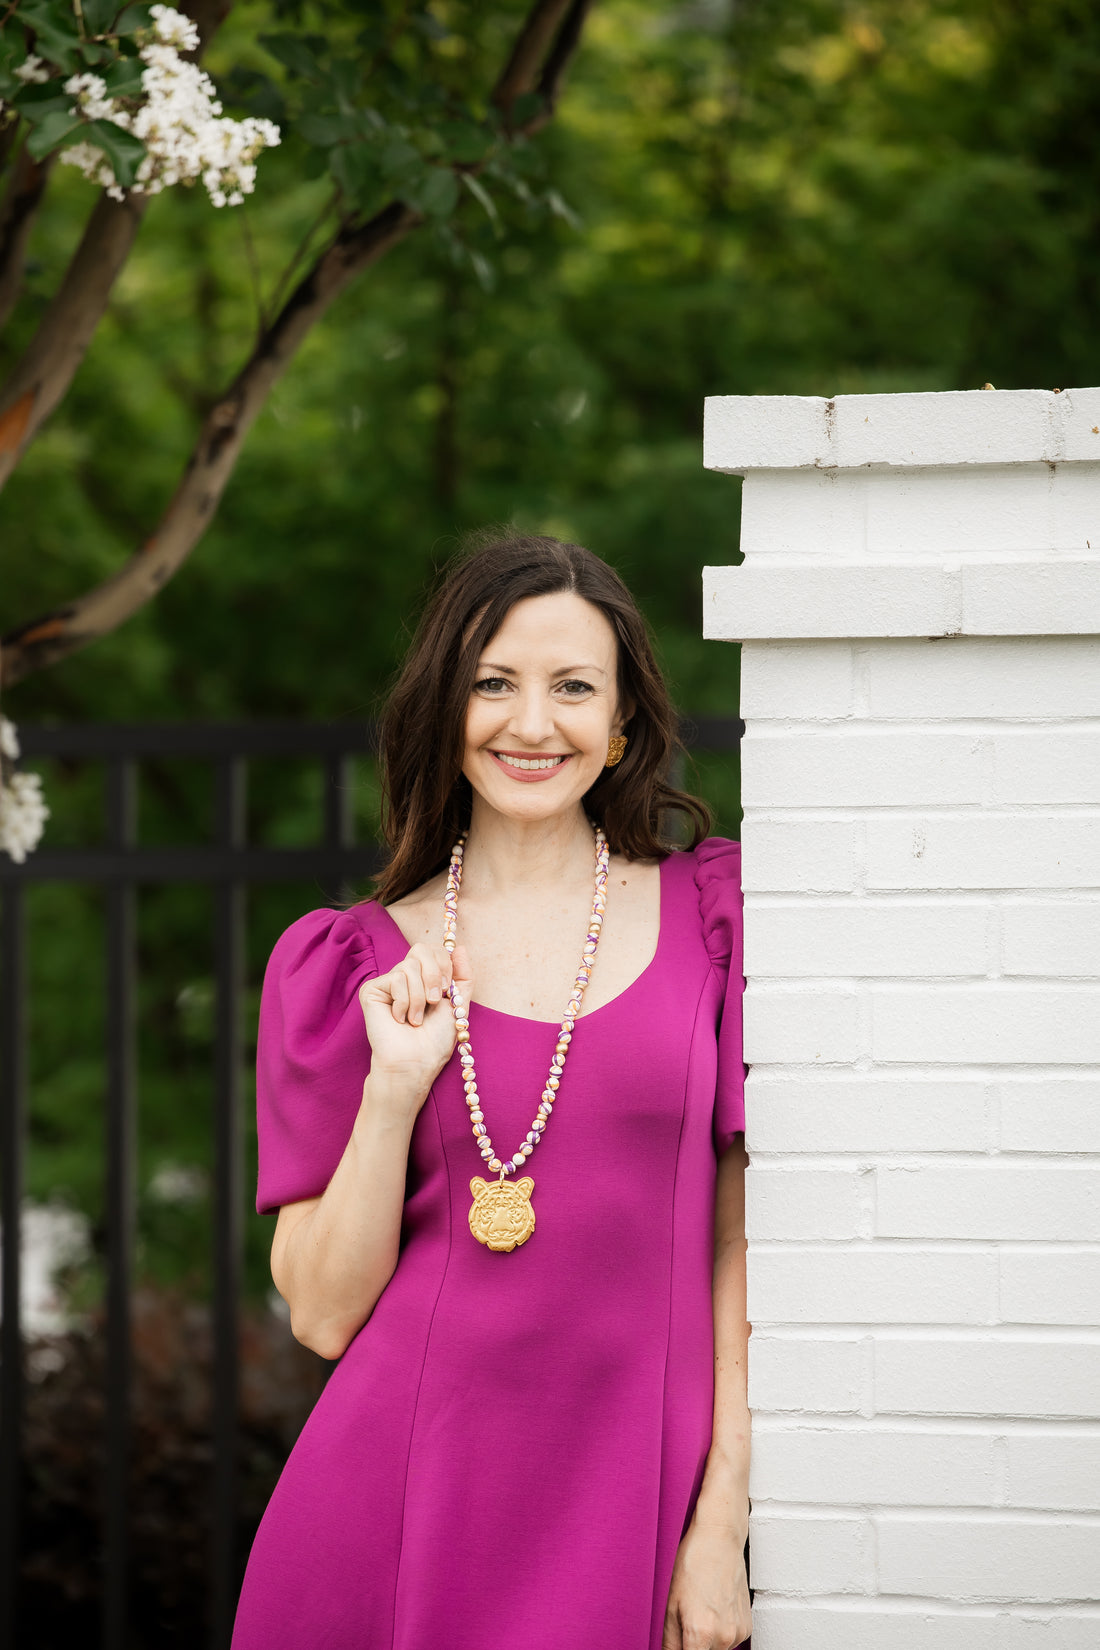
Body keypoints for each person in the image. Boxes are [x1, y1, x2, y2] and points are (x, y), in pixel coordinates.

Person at [232, 533, 751, 1650]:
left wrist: (722, 1521)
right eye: (492, 684)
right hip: (396, 1503)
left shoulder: (714, 917)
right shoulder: (346, 964)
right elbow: (321, 1315)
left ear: (620, 725)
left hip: (629, 1494)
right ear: (443, 710)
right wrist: (391, 1088)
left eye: (572, 688)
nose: (529, 724)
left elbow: (741, 1246)